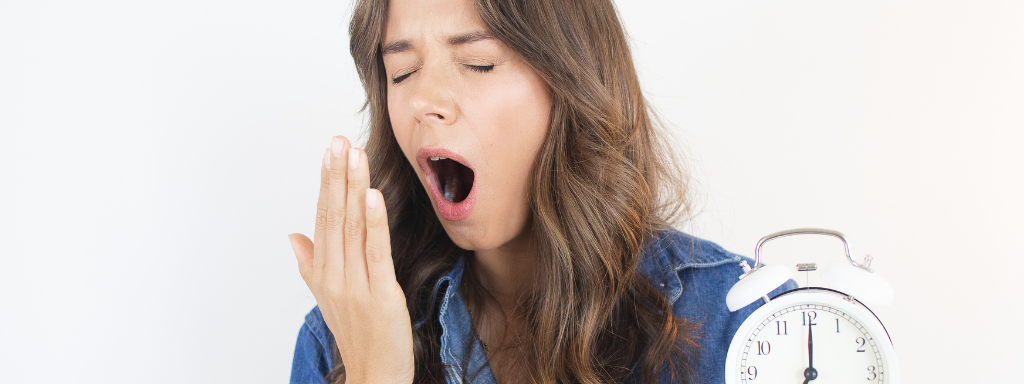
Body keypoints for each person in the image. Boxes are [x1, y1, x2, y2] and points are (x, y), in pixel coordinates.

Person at [286, 0, 795, 383]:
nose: (422, 100)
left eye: (478, 63)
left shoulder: (746, 323)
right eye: (402, 72)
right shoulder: (339, 338)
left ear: (572, 82)